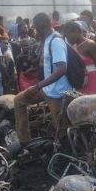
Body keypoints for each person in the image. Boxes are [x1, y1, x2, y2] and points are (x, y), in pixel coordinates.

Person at [14, 13, 73, 143]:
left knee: (62, 133)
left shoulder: (56, 41)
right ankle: (25, 142)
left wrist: (38, 86)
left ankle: (66, 151)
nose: (34, 31)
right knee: (19, 100)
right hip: (47, 89)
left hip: (58, 94)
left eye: (35, 28)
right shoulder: (47, 40)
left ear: (41, 27)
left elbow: (62, 69)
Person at [63, 21, 96, 94]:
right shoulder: (73, 47)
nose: (67, 39)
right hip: (81, 82)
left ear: (76, 32)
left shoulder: (90, 45)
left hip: (93, 80)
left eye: (67, 36)